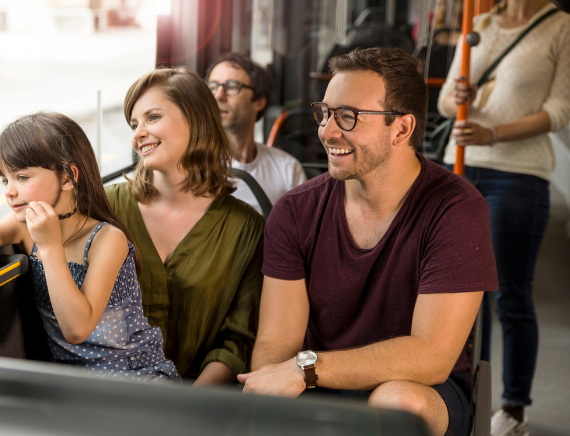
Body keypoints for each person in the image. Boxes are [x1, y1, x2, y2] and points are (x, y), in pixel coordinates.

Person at [238, 48, 498, 436]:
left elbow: (432, 356)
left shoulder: (456, 209)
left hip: (420, 390)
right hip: (317, 384)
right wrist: (276, 388)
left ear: (402, 129)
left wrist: (304, 370)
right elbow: (276, 341)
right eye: (324, 113)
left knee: (396, 405)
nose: (326, 131)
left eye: (348, 116)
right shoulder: (295, 211)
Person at [0, 112, 179, 381]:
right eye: (5, 180)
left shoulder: (106, 239)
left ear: (67, 178)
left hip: (134, 375)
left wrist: (50, 247)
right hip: (75, 381)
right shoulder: (22, 226)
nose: (9, 191)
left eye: (22, 177)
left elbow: (77, 329)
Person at [438, 1, 570, 434]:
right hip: (460, 163)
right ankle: (467, 394)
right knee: (463, 293)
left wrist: (493, 134)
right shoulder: (480, 25)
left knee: (508, 293)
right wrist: (458, 97)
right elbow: (443, 102)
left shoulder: (560, 28)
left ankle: (512, 407)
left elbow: (561, 110)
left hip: (517, 174)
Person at [105, 67, 264, 385]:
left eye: (152, 118)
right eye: (134, 124)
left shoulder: (245, 227)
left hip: (199, 399)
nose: (137, 134)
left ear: (196, 120)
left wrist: (187, 406)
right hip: (110, 389)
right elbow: (33, 215)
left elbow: (238, 341)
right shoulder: (106, 206)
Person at [205, 52, 307, 216]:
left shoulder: (287, 168)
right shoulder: (194, 164)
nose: (218, 96)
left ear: (259, 101)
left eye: (232, 87)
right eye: (213, 87)